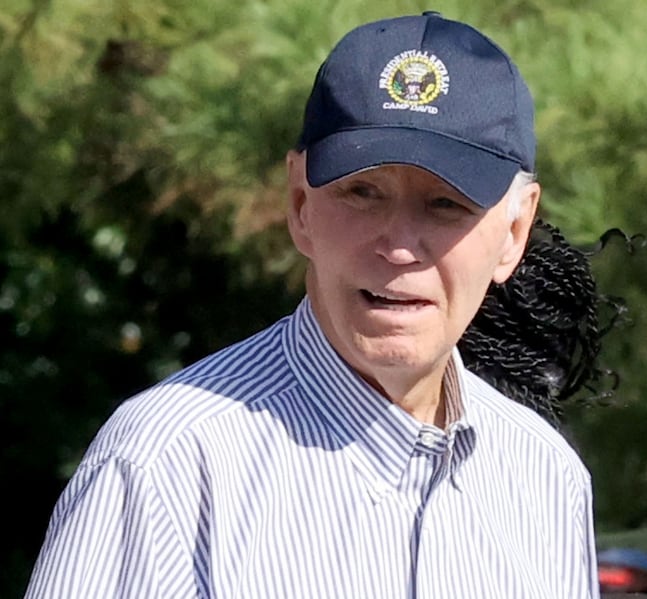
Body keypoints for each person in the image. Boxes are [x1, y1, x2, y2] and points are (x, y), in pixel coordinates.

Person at [26, 12, 602, 598]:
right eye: (363, 192)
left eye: (444, 204)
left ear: (515, 231)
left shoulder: (545, 480)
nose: (399, 246)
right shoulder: (166, 466)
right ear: (300, 205)